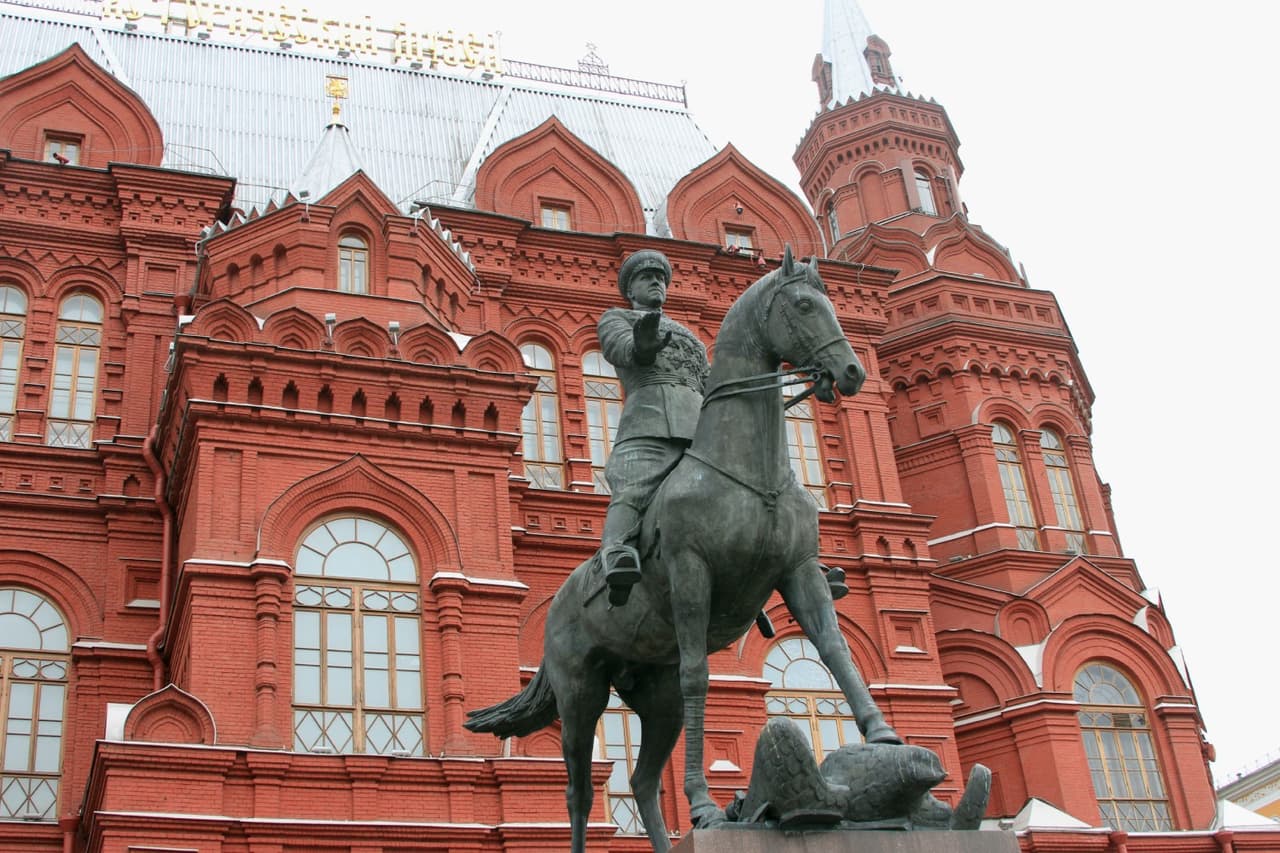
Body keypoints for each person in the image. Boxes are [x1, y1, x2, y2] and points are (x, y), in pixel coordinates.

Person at [598, 250, 709, 606]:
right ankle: (617, 553)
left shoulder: (691, 338)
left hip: (701, 432)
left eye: (660, 278)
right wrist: (640, 347)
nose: (656, 282)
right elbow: (619, 348)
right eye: (647, 278)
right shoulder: (618, 318)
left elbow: (709, 384)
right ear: (631, 289)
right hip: (650, 422)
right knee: (633, 488)